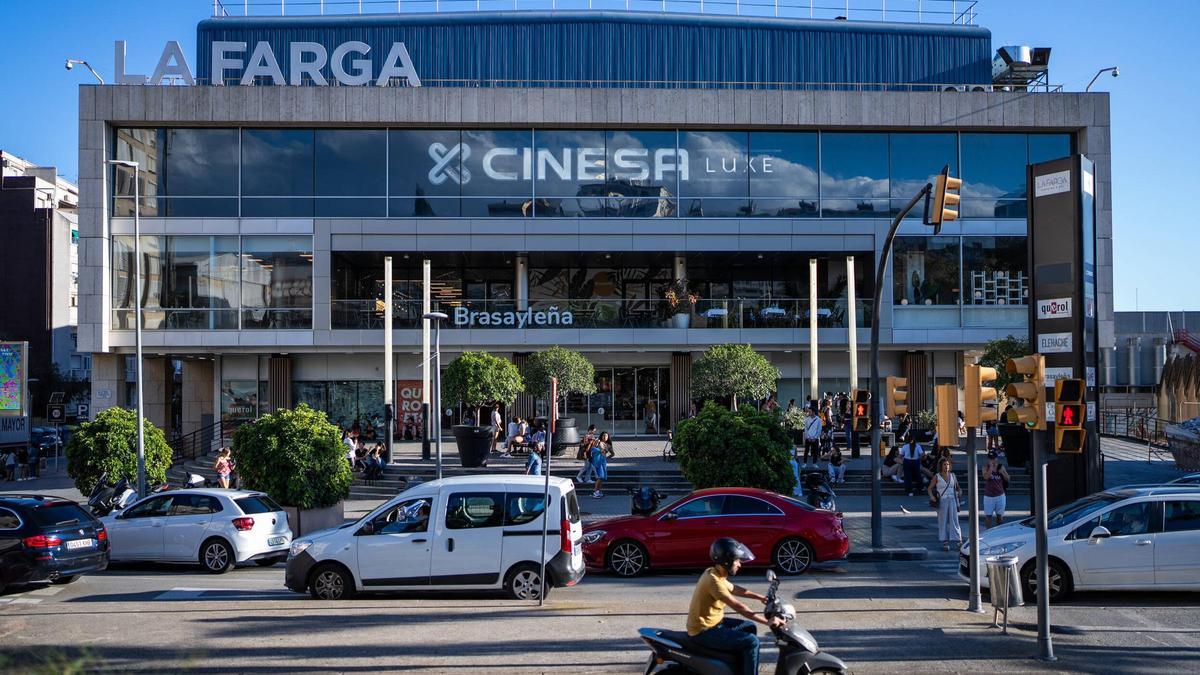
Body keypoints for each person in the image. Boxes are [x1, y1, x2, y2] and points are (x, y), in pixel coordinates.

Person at [686, 538, 785, 675]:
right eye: (737, 560)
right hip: (704, 631)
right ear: (727, 561)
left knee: (749, 627)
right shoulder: (714, 582)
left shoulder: (715, 573)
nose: (740, 564)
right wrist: (767, 621)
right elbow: (739, 607)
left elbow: (734, 589)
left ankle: (738, 668)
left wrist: (760, 597)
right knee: (752, 642)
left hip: (715, 623)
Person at [928, 457, 962, 551]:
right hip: (942, 500)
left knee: (954, 520)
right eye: (944, 464)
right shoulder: (937, 476)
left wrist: (960, 492)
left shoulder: (953, 476)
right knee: (942, 521)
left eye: (947, 464)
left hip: (952, 500)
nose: (946, 466)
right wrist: (932, 496)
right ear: (941, 466)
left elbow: (958, 488)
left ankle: (958, 539)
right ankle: (945, 541)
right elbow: (930, 488)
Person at [982, 450, 1010, 528]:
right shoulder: (985, 467)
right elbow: (986, 477)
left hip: (1000, 496)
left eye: (993, 458)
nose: (992, 460)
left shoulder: (1001, 467)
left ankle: (999, 533)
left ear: (996, 459)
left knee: (1000, 517)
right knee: (988, 517)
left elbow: (1008, 479)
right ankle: (988, 534)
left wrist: (1003, 473)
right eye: (990, 458)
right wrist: (991, 467)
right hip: (989, 496)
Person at [588, 431, 613, 498]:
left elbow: (612, 454)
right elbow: (592, 449)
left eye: (606, 436)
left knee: (602, 477)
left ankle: (598, 491)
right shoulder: (598, 441)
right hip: (597, 461)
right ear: (601, 436)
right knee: (600, 477)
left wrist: (606, 457)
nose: (605, 437)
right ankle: (596, 492)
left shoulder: (608, 445)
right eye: (604, 435)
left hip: (603, 462)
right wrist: (599, 451)